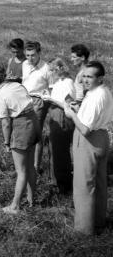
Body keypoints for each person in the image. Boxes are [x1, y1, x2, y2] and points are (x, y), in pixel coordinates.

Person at [64, 61, 113, 235]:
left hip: (89, 141)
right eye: (84, 76)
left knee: (84, 185)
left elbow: (84, 129)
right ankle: (99, 221)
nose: (85, 80)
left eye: (90, 77)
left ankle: (84, 229)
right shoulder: (104, 91)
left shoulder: (96, 96)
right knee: (100, 182)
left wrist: (71, 114)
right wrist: (79, 110)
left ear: (100, 78)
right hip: (102, 138)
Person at [0, 65, 40, 214]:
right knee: (30, 166)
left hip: (21, 127)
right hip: (33, 121)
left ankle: (15, 206)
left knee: (21, 171)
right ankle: (31, 198)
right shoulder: (17, 85)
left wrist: (7, 142)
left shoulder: (0, 96)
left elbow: (6, 123)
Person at [42, 58, 76, 194]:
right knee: (54, 149)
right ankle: (56, 181)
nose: (51, 73)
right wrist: (48, 95)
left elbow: (67, 105)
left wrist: (50, 99)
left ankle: (64, 185)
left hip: (62, 116)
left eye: (52, 70)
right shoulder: (59, 82)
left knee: (60, 151)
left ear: (60, 69)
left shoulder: (68, 83)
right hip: (54, 114)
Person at [22, 41, 52, 173]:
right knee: (25, 131)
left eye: (33, 55)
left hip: (38, 101)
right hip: (24, 99)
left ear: (39, 53)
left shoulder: (46, 68)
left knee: (36, 133)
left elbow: (51, 87)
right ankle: (24, 164)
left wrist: (44, 100)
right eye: (27, 55)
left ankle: (36, 166)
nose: (30, 58)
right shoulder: (25, 64)